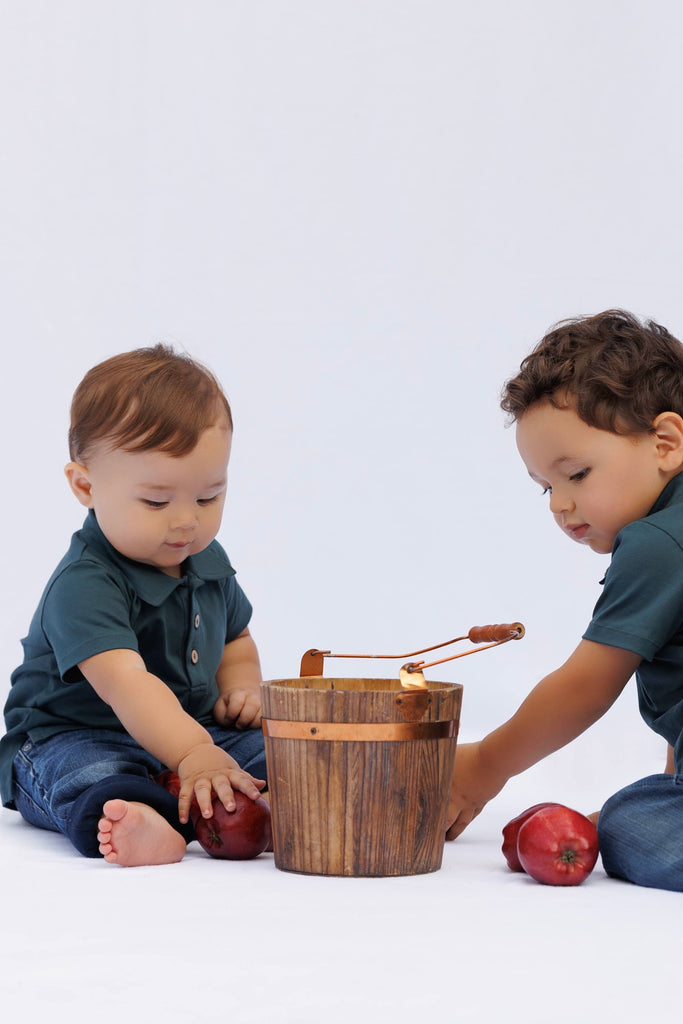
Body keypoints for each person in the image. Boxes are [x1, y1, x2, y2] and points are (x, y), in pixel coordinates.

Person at [1, 345, 267, 866]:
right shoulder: (85, 582)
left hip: (193, 728)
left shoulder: (206, 559)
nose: (186, 521)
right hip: (76, 733)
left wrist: (242, 688)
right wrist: (193, 753)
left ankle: (256, 810)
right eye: (156, 502)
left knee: (278, 754)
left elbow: (237, 637)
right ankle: (145, 818)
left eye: (208, 497)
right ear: (86, 485)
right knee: (89, 776)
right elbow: (127, 683)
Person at [446, 309, 683, 891]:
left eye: (576, 474)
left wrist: (484, 765)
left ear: (666, 443)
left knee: (627, 822)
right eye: (546, 487)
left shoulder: (657, 543)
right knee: (641, 806)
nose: (558, 503)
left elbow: (586, 687)